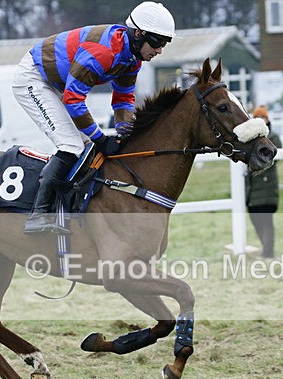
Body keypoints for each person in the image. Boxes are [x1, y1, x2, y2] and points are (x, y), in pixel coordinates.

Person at [13, 2, 176, 234]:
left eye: (165, 44)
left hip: (58, 84)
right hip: (34, 79)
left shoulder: (132, 59)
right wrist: (100, 138)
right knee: (71, 144)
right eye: (157, 42)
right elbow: (73, 100)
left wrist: (125, 133)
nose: (160, 50)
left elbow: (123, 99)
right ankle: (38, 215)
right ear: (138, 34)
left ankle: (71, 208)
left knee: (86, 148)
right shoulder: (103, 51)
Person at [244, 106, 282, 257]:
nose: (260, 120)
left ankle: (268, 251)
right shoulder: (249, 139)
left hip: (266, 185)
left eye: (263, 118)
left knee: (266, 221)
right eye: (257, 118)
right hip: (252, 189)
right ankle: (266, 248)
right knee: (255, 220)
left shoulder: (273, 138)